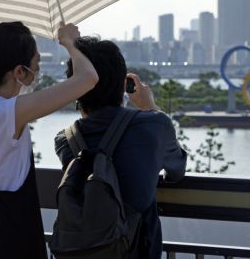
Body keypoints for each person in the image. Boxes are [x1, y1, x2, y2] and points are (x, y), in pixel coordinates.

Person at [0, 22, 99, 259]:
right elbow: (88, 78)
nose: (37, 73)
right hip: (15, 244)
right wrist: (70, 42)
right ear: (19, 72)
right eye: (36, 65)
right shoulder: (8, 113)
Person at [54, 37, 187, 259]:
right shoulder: (154, 125)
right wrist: (150, 107)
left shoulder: (64, 139)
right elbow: (176, 170)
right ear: (123, 84)